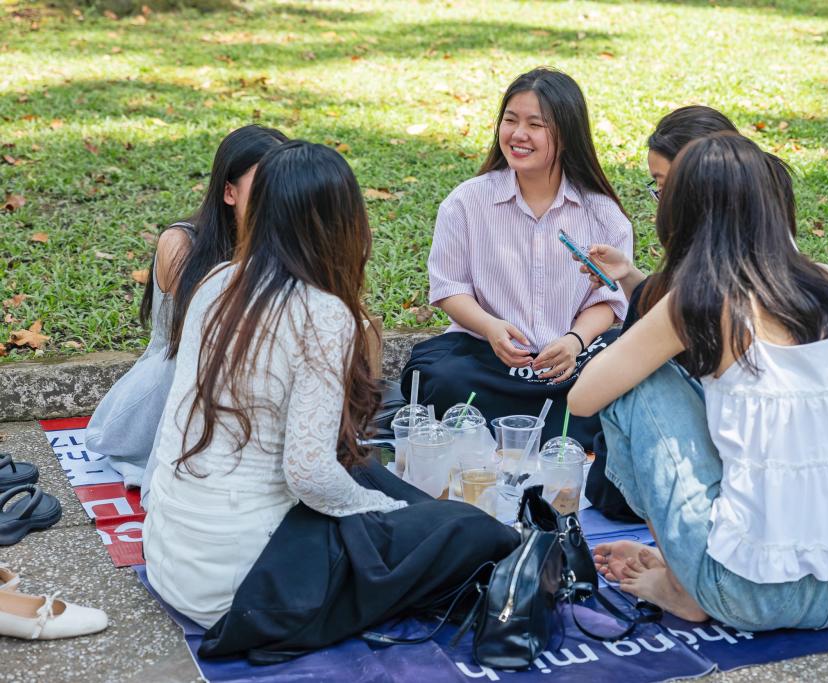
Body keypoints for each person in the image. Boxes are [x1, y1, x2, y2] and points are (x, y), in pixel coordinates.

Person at [143, 141, 517, 631]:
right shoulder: (322, 312)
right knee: (475, 532)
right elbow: (309, 475)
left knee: (377, 480)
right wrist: (382, 512)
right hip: (242, 585)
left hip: (172, 557)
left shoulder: (218, 281)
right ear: (340, 221)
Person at [568, 132, 828, 630]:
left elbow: (585, 397)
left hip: (742, 594)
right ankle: (692, 565)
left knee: (634, 387)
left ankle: (682, 584)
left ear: (683, 213)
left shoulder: (703, 297)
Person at [581, 106, 797, 521]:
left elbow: (585, 397)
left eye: (663, 186)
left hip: (726, 487)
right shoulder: (826, 284)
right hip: (801, 504)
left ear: (700, 184)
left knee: (630, 381)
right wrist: (628, 277)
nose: (660, 201)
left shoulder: (707, 284)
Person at [400, 67, 632, 449]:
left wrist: (574, 341)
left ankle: (505, 432)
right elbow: (449, 288)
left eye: (535, 124)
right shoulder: (466, 202)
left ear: (567, 134)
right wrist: (491, 328)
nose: (518, 134)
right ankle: (558, 433)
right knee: (438, 379)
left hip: (570, 363)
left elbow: (607, 301)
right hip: (485, 359)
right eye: (510, 120)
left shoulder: (601, 213)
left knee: (623, 380)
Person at [85, 125, 287, 493]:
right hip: (172, 388)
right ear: (229, 191)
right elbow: (211, 343)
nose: (277, 196)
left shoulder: (285, 242)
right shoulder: (180, 243)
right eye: (264, 184)